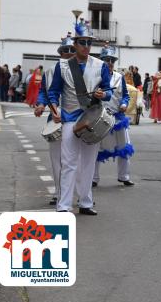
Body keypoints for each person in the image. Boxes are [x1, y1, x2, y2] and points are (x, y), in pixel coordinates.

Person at [47, 18, 112, 215]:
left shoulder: (100, 65)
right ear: (74, 44)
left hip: (91, 118)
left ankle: (85, 202)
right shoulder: (63, 66)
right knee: (68, 162)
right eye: (82, 42)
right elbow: (53, 91)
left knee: (88, 164)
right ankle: (64, 205)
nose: (86, 46)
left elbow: (109, 91)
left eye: (89, 42)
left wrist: (104, 94)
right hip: (69, 118)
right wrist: (53, 108)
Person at [35, 32, 76, 205]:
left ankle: (81, 195)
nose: (68, 53)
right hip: (56, 119)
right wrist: (41, 104)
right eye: (65, 50)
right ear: (60, 53)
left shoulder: (82, 70)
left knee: (76, 160)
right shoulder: (50, 71)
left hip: (75, 120)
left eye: (71, 49)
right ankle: (60, 193)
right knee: (57, 159)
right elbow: (44, 92)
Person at [93, 45, 135, 188]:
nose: (110, 62)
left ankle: (124, 176)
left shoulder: (119, 77)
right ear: (102, 61)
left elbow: (125, 96)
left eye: (112, 60)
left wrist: (124, 104)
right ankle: (93, 178)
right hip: (100, 118)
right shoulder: (95, 77)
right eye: (107, 60)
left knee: (124, 147)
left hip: (118, 118)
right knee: (96, 149)